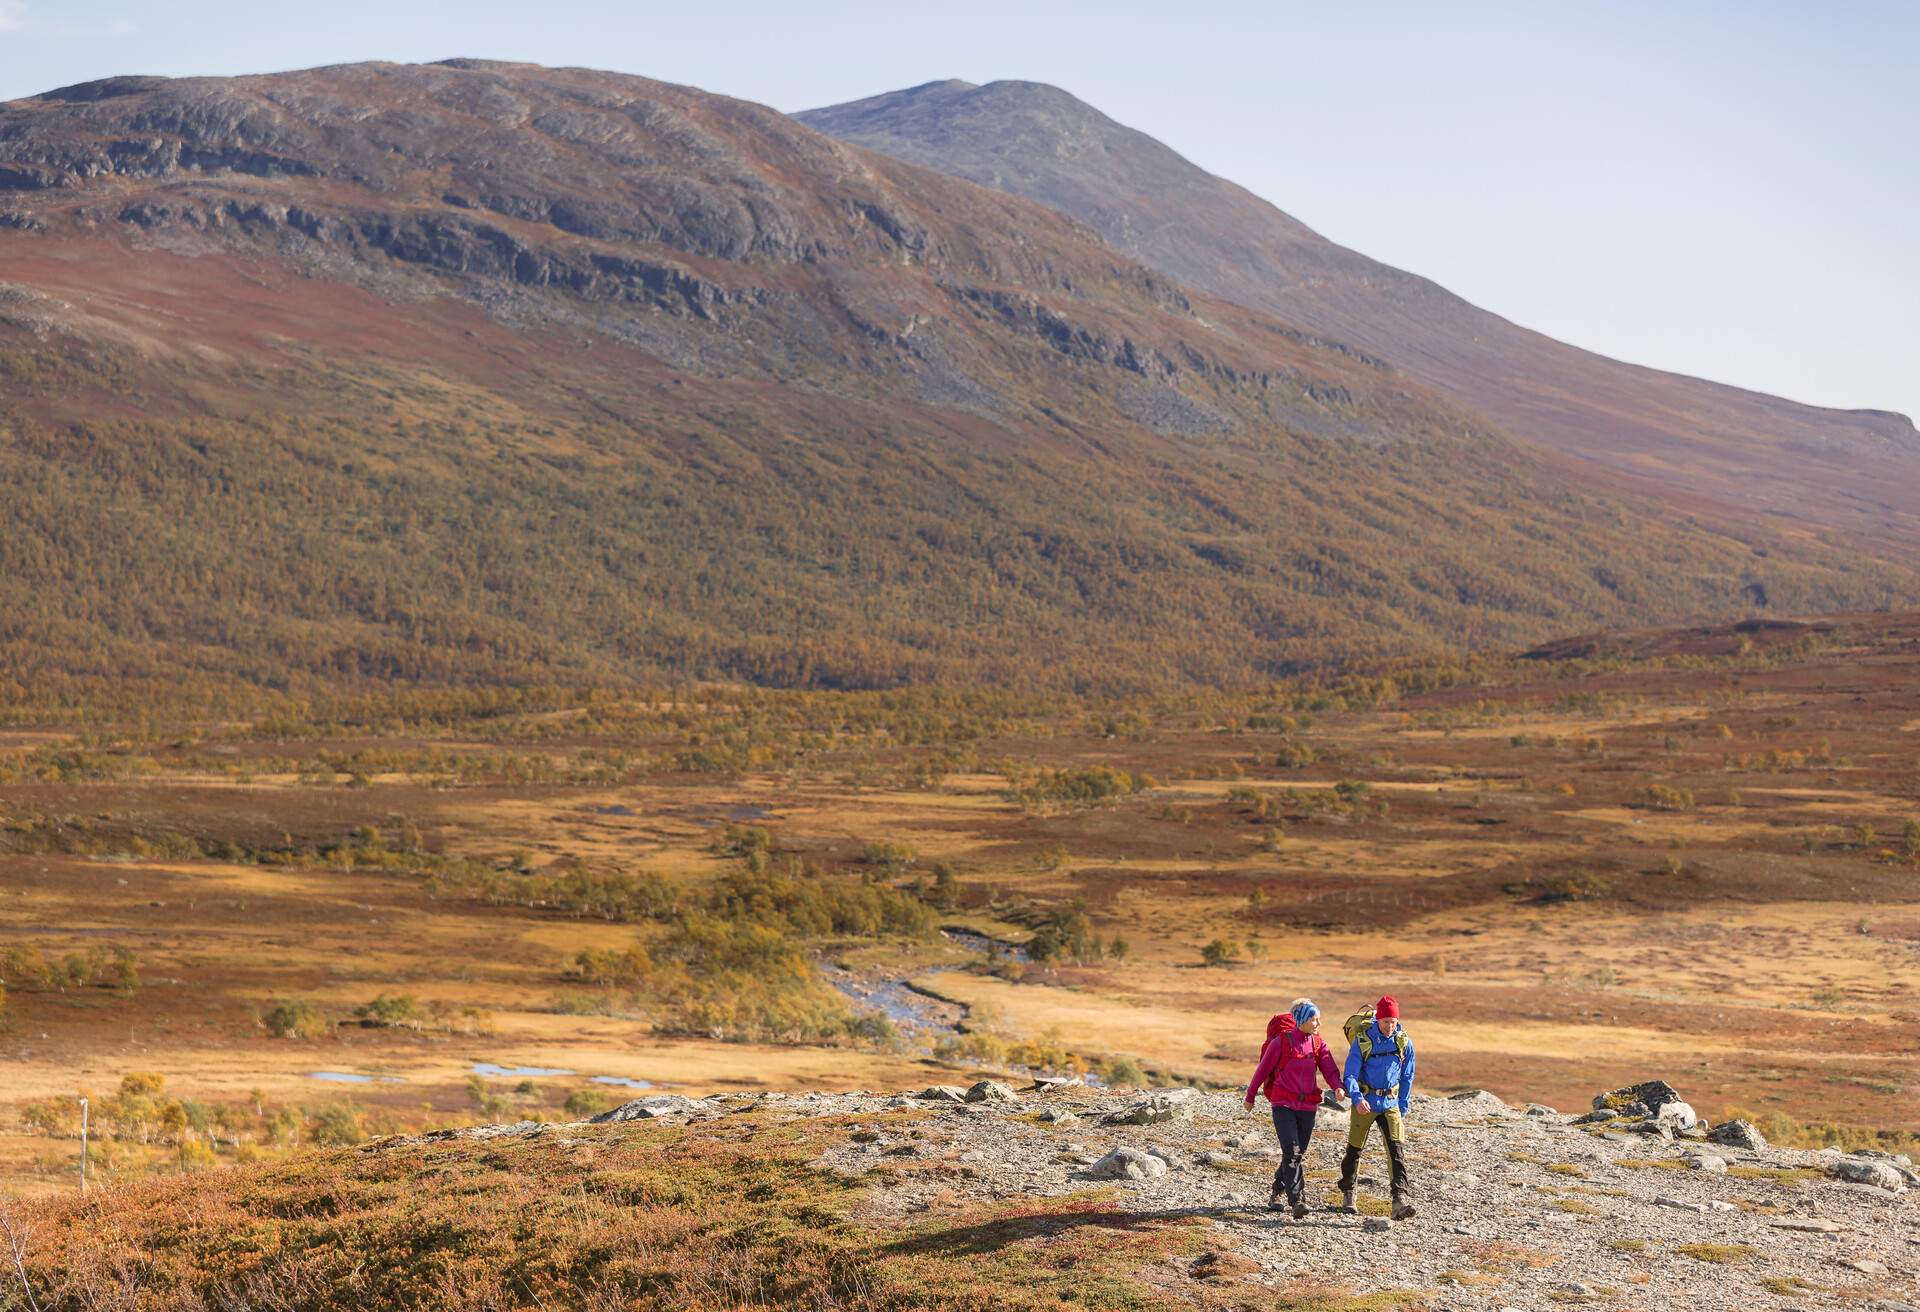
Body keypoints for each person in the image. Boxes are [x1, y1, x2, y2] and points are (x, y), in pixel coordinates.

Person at [1243, 998, 1344, 1217]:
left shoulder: (1318, 1044)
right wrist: (1250, 1095)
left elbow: (1330, 1070)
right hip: (1283, 1104)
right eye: (1314, 1019)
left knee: (1296, 1154)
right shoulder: (1280, 1042)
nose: (1318, 1024)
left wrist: (1337, 1087)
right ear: (1301, 1019)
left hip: (1307, 1105)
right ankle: (1297, 1200)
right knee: (1293, 1152)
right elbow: (1262, 1070)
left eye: (1319, 1019)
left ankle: (1277, 1190)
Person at [1339, 994, 1416, 1220]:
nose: (1390, 1027)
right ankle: (1348, 1193)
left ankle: (1399, 1200)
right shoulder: (1363, 1041)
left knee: (1396, 1150)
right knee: (1355, 1149)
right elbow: (1350, 1074)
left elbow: (1408, 1075)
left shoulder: (1403, 1041)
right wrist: (1356, 1097)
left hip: (1390, 1103)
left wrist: (1403, 1104)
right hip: (1365, 1101)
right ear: (1377, 1020)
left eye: (1393, 1022)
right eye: (1385, 1022)